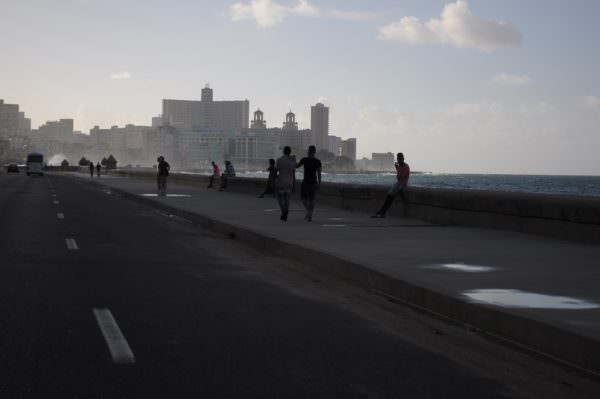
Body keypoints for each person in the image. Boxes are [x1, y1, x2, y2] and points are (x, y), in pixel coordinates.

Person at [372, 152, 410, 218]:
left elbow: (400, 176)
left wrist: (397, 169)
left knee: (391, 197)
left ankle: (383, 212)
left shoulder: (405, 166)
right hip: (399, 183)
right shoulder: (401, 166)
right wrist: (398, 169)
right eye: (398, 159)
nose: (399, 160)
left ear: (403, 159)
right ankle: (382, 211)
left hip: (403, 184)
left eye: (400, 158)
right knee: (389, 195)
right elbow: (398, 177)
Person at [296, 146, 322, 221]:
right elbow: (319, 174)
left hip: (306, 182)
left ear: (308, 151)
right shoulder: (318, 161)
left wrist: (292, 160)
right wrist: (319, 184)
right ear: (314, 152)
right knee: (312, 200)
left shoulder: (304, 159)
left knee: (303, 199)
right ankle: (309, 213)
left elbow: (296, 166)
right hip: (314, 182)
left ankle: (308, 212)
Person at [274, 146, 296, 221]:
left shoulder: (279, 160)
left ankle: (283, 211)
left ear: (283, 151)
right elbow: (293, 172)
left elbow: (275, 171)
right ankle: (286, 212)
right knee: (287, 199)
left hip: (281, 181)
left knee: (280, 198)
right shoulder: (292, 161)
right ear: (290, 152)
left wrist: (273, 180)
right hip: (290, 182)